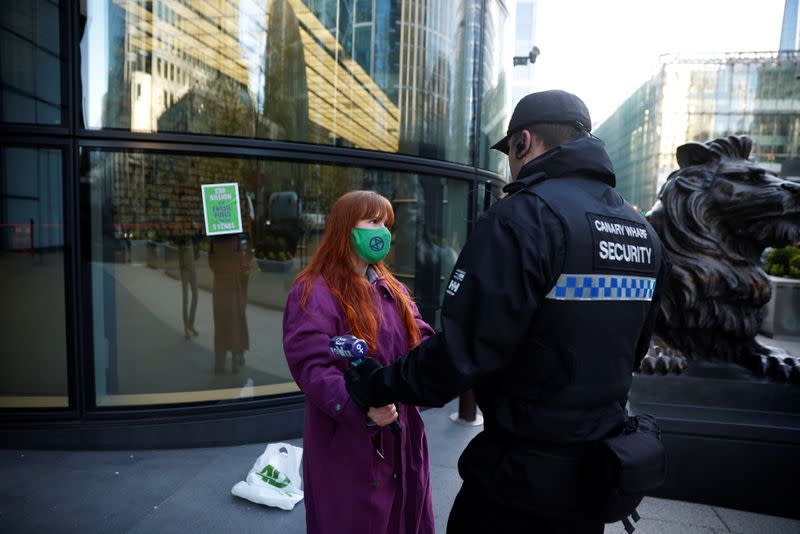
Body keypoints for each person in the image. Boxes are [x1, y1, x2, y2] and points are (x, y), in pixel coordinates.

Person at [345, 90, 672, 533]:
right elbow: (633, 352)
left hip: (518, 484)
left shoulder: (522, 218)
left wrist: (377, 383)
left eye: (510, 153)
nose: (511, 166)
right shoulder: (641, 233)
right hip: (596, 481)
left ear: (524, 142)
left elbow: (461, 354)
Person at [282, 190, 436, 534]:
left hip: (403, 433)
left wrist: (440, 362)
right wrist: (362, 407)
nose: (382, 232)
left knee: (402, 518)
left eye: (386, 224)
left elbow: (421, 336)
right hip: (350, 441)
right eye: (373, 221)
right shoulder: (313, 291)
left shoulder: (390, 286)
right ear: (344, 229)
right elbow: (312, 365)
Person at [209, 231, 252, 374]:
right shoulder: (236, 240)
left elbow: (212, 263)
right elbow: (242, 265)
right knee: (235, 323)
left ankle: (219, 364)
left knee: (220, 324)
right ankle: (234, 362)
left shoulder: (214, 240)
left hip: (219, 287)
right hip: (233, 287)